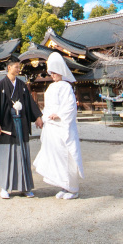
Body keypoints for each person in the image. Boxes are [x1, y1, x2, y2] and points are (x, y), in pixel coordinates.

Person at [33, 52, 84, 199]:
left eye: (55, 71)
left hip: (63, 126)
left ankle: (73, 188)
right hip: (52, 127)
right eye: (51, 72)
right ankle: (63, 185)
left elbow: (70, 106)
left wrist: (59, 115)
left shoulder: (66, 87)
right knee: (56, 156)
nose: (53, 74)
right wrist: (43, 118)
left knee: (66, 155)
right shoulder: (50, 88)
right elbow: (47, 107)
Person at [0, 55, 43, 199]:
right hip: (7, 124)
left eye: (19, 66)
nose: (18, 69)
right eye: (16, 66)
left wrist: (38, 117)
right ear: (9, 67)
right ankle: (5, 187)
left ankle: (25, 187)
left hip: (21, 123)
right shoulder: (1, 85)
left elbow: (30, 103)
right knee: (7, 155)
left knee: (23, 154)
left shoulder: (22, 85)